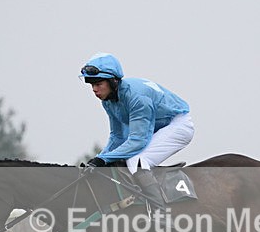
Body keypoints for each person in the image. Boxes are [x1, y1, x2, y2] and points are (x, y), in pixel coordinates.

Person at [79, 53, 194, 209]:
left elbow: (138, 141)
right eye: (91, 84)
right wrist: (99, 159)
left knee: (137, 161)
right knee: (120, 159)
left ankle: (161, 214)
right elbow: (117, 137)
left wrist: (103, 159)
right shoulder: (109, 101)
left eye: (98, 84)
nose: (94, 89)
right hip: (159, 126)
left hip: (179, 125)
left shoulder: (136, 98)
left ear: (113, 81)